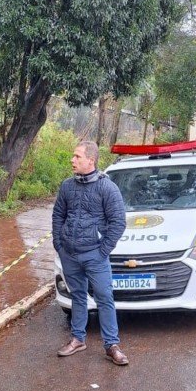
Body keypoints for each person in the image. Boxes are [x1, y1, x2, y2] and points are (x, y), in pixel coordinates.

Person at [52, 141, 128, 365]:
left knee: (104, 298)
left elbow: (118, 222)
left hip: (95, 255)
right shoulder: (67, 186)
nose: (72, 160)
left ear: (90, 160)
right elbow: (58, 215)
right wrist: (59, 244)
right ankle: (77, 339)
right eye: (73, 157)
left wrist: (103, 250)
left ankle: (111, 345)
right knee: (77, 297)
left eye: (77, 156)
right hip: (70, 254)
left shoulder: (107, 188)